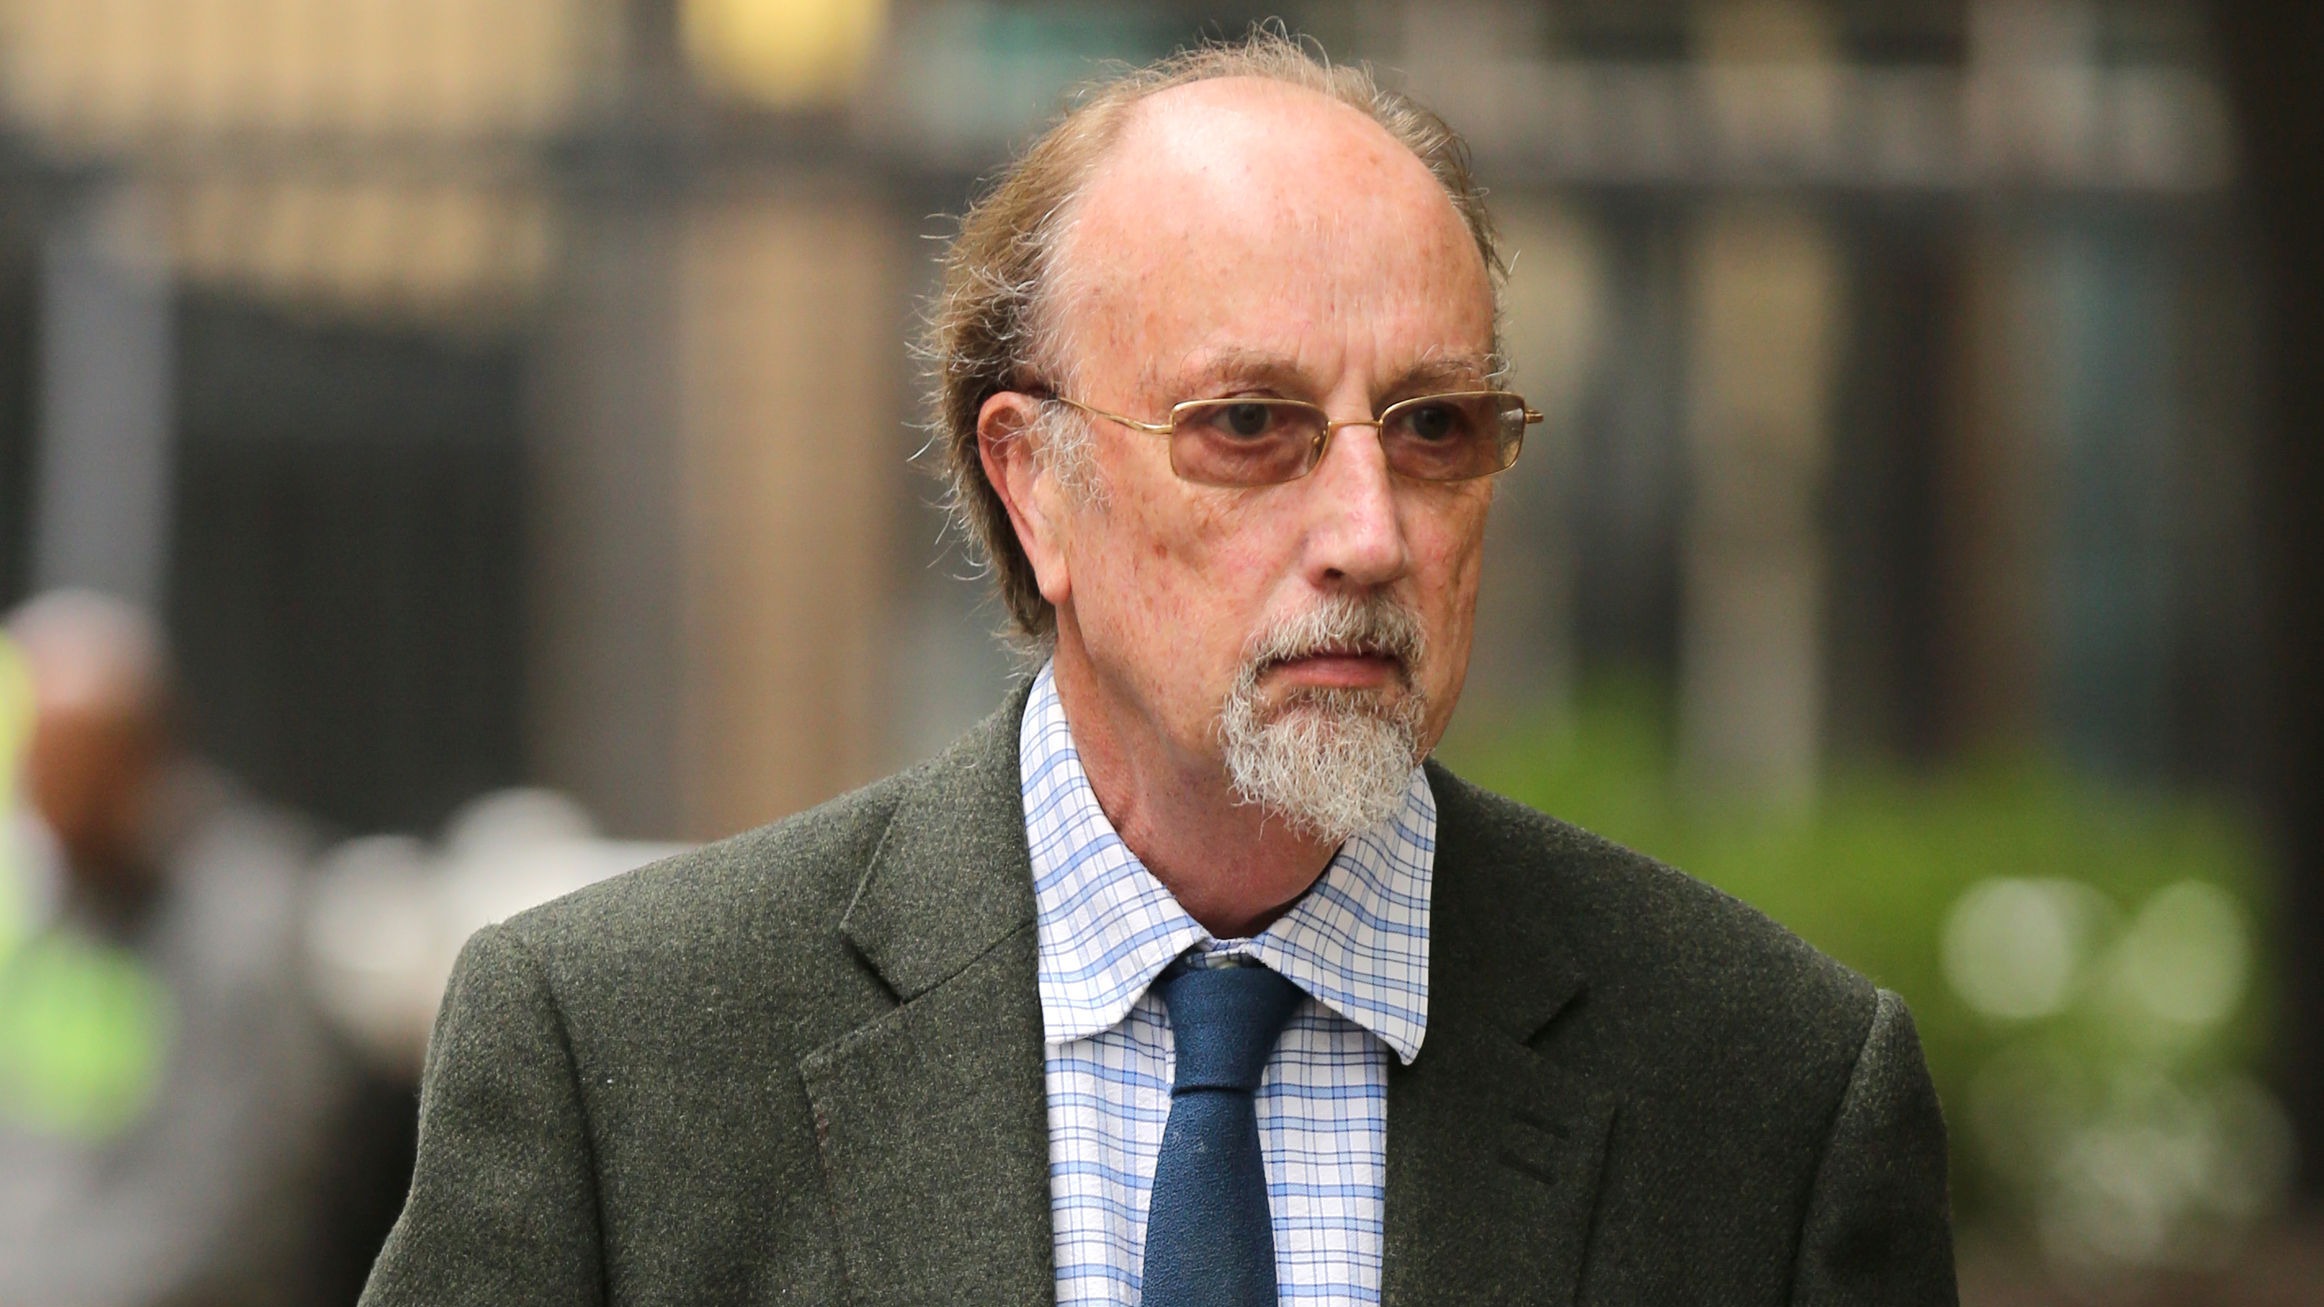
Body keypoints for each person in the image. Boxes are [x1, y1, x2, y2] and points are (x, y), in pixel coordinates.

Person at [363, 33, 1955, 1306]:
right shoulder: (618, 1055)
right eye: (1250, 424)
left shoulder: (1773, 1092)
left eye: (1434, 426)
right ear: (1034, 482)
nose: (1369, 533)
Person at [0, 590, 351, 1307]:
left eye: (71, 771)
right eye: (36, 770)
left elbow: (236, 1203)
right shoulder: (52, 908)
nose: (49, 804)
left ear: (141, 759)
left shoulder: (245, 922)